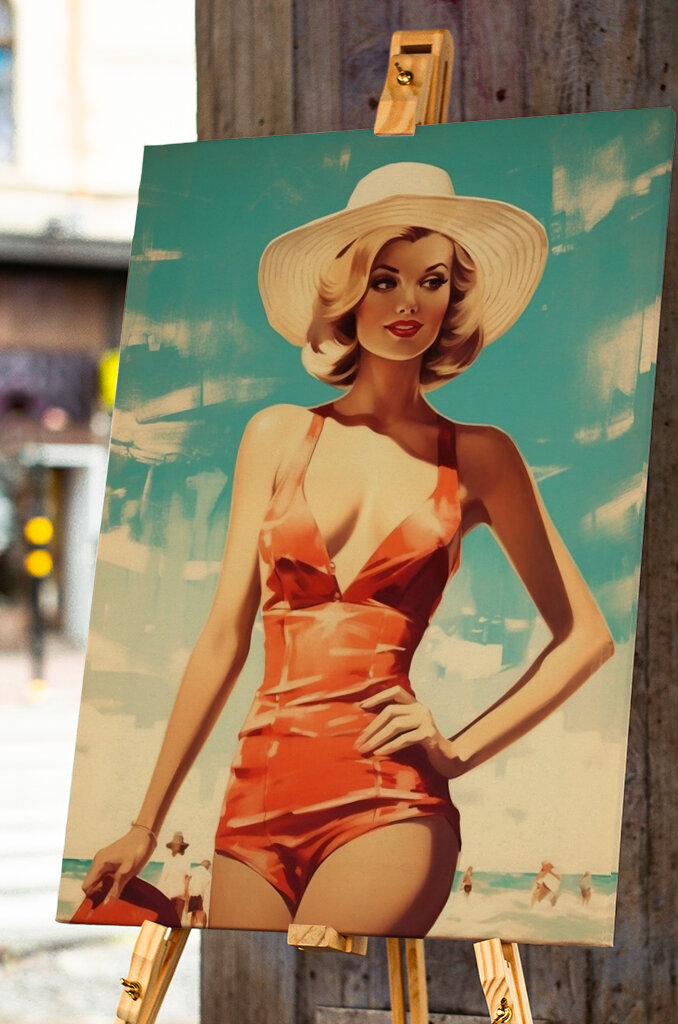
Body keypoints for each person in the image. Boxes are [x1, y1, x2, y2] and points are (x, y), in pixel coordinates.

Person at [82, 162, 614, 937]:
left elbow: (587, 637)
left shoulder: (480, 456)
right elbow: (224, 636)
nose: (408, 303)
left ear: (453, 300)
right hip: (254, 802)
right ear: (345, 292)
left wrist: (458, 751)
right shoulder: (276, 433)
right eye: (384, 279)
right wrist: (143, 823)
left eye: (431, 281)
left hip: (386, 801)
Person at [157, 832, 191, 922]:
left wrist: (187, 897)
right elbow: (163, 877)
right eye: (174, 845)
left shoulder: (184, 860)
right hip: (166, 896)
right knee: (165, 920)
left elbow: (187, 878)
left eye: (177, 845)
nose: (175, 847)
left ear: (181, 847)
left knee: (176, 921)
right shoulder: (168, 860)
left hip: (179, 896)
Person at [187, 859, 212, 927]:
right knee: (201, 913)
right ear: (208, 866)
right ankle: (203, 926)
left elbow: (187, 878)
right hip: (200, 895)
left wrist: (186, 893)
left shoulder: (194, 870)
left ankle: (192, 926)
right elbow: (208, 889)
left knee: (193, 914)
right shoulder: (208, 875)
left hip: (192, 894)